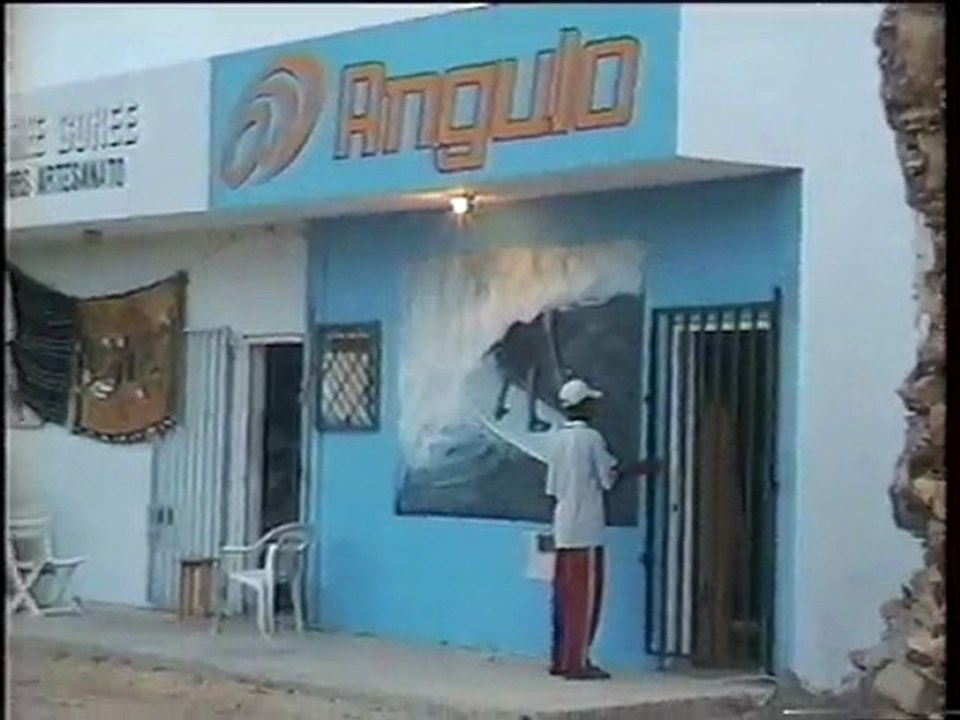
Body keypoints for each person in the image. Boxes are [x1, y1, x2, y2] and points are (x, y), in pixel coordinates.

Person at [546, 378, 659, 680]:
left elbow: (553, 487)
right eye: (593, 402)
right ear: (585, 406)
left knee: (563, 598)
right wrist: (639, 468)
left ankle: (560, 658)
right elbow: (608, 478)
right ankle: (578, 664)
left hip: (563, 527)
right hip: (587, 529)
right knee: (585, 600)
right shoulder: (592, 439)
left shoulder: (555, 439)